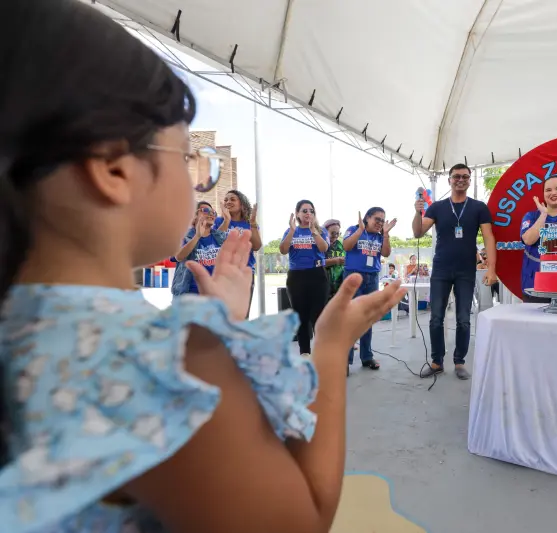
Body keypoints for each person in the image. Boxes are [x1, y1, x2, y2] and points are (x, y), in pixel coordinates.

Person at [0, 2, 407, 532]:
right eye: (189, 158)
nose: (200, 182)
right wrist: (331, 348)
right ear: (114, 169)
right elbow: (297, 523)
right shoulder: (153, 358)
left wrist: (219, 328)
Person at [412, 163, 497, 380]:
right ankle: (436, 362)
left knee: (464, 319)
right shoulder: (437, 207)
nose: (461, 180)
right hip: (441, 268)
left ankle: (460, 362)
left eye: (465, 177)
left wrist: (491, 269)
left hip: (465, 270)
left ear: (469, 180)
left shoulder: (479, 207)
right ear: (449, 180)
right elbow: (418, 232)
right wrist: (417, 212)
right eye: (456, 176)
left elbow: (488, 237)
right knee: (436, 318)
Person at [342, 208, 396, 372]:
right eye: (377, 219)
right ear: (367, 218)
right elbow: (346, 246)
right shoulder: (353, 229)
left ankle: (366, 357)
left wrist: (386, 234)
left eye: (382, 220)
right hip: (353, 277)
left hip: (372, 278)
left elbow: (386, 253)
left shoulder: (380, 236)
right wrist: (360, 230)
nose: (380, 223)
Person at [279, 200, 330, 356]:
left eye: (311, 211)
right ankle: (305, 353)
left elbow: (324, 248)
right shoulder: (291, 231)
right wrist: (292, 231)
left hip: (317, 275)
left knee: (318, 316)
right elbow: (283, 250)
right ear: (297, 214)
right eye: (305, 211)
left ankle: (321, 352)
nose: (308, 214)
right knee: (300, 315)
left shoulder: (320, 231)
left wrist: (313, 231)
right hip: (297, 277)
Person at [214, 189, 262, 315]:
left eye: (232, 199)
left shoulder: (249, 224)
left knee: (242, 315)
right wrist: (227, 220)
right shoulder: (218, 222)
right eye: (226, 200)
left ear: (242, 204)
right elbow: (216, 242)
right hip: (224, 273)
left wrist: (253, 224)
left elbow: (257, 246)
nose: (228, 202)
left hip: (244, 272)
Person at [172, 201, 227, 295]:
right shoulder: (184, 235)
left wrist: (227, 219)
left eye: (213, 212)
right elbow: (179, 257)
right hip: (189, 294)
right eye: (205, 210)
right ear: (194, 216)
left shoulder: (217, 236)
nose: (211, 214)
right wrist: (197, 236)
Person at [323, 219, 346, 298]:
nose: (336, 235)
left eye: (338, 233)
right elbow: (316, 263)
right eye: (332, 233)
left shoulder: (340, 245)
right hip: (323, 285)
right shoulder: (320, 244)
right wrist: (335, 261)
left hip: (339, 286)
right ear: (325, 232)